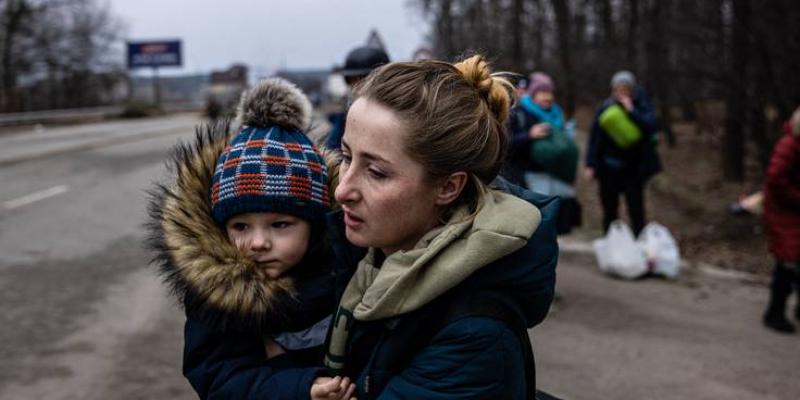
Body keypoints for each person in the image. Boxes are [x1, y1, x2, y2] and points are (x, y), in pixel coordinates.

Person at [325, 55, 559, 398]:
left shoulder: (475, 337)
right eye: (346, 157)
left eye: (376, 172)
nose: (342, 189)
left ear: (448, 187)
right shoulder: (364, 254)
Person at [146, 78, 354, 399]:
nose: (258, 243)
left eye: (280, 224)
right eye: (241, 227)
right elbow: (220, 378)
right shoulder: (220, 292)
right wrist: (301, 389)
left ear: (316, 224)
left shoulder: (350, 266)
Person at [585, 70, 661, 236]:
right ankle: (611, 244)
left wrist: (631, 110)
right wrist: (590, 164)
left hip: (634, 168)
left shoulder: (641, 105)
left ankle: (640, 245)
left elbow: (651, 127)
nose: (622, 92)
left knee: (636, 209)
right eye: (618, 89)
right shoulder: (605, 107)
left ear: (632, 89)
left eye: (625, 89)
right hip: (608, 168)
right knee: (609, 210)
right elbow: (595, 138)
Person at [506, 72, 580, 234]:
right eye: (542, 93)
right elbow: (507, 144)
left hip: (555, 173)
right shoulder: (519, 113)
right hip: (529, 174)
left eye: (549, 93)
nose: (547, 97)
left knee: (555, 219)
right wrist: (529, 136)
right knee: (538, 218)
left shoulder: (556, 114)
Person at [762, 106, 800, 334]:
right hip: (783, 212)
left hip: (792, 210)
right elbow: (776, 179)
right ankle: (774, 313)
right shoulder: (788, 146)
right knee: (787, 261)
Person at [324, 45, 390, 151]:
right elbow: (333, 152)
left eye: (364, 81)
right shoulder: (342, 121)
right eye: (353, 82)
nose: (358, 89)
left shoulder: (396, 120)